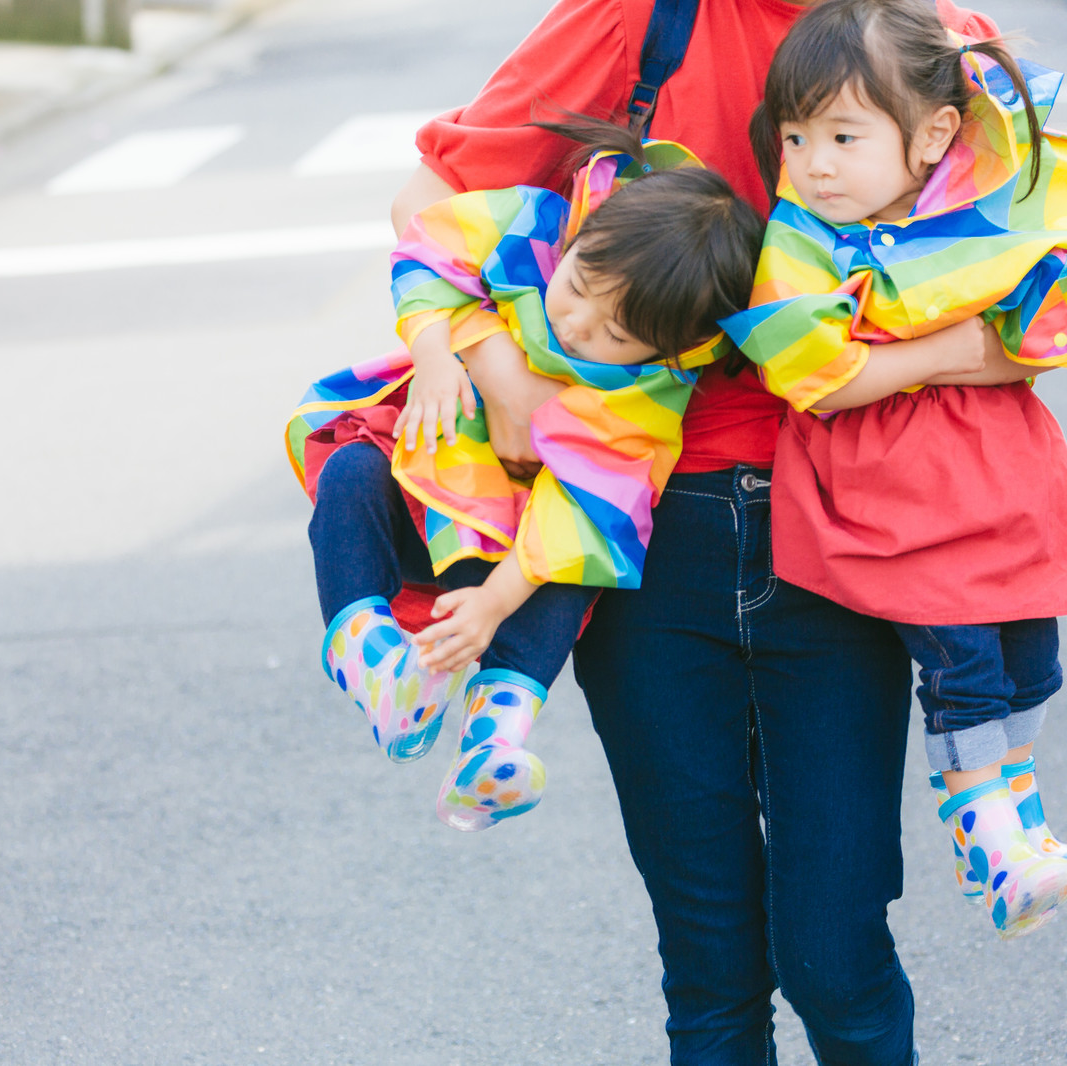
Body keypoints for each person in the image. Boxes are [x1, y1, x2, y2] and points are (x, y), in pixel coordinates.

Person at [389, 2, 1033, 1062]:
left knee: (837, 958)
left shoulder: (924, 34)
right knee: (711, 967)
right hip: (645, 542)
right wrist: (500, 374)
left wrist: (879, 369)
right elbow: (432, 197)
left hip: (843, 532)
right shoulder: (642, 17)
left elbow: (1054, 302)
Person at [722, 0, 1067, 937]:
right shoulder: (804, 239)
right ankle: (989, 848)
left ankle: (1024, 829)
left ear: (936, 134)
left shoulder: (991, 214)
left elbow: (1057, 290)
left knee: (1029, 654)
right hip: (899, 501)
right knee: (964, 664)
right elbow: (812, 373)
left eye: (844, 135)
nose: (814, 161)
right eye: (796, 136)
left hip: (998, 481)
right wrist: (948, 350)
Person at [289, 125, 763, 831]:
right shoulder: (534, 227)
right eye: (577, 289)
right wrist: (436, 355)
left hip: (518, 546)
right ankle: (375, 664)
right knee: (352, 470)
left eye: (617, 336)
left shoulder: (643, 396)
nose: (577, 328)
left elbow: (579, 515)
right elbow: (430, 249)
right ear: (582, 230)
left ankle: (495, 738)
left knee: (574, 570)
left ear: (675, 347)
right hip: (429, 484)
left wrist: (492, 603)